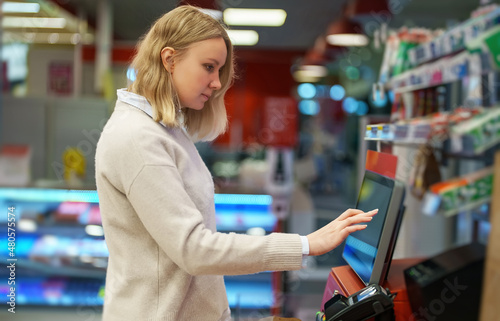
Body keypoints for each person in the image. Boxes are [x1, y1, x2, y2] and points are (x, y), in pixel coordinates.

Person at [95, 5, 377, 321]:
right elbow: (194, 250)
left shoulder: (164, 130)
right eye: (208, 67)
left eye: (220, 70)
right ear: (169, 59)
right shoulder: (138, 137)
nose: (217, 83)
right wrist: (305, 245)